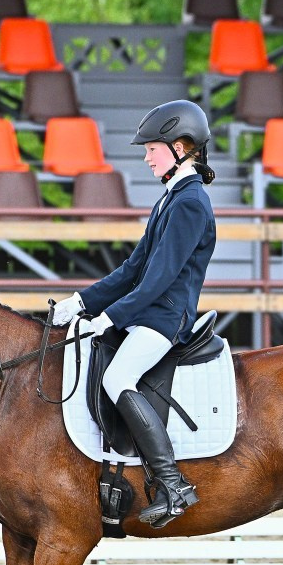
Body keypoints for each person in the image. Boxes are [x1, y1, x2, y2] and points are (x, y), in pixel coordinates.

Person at [50, 99, 218, 529]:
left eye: (152, 149)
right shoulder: (171, 198)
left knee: (116, 377)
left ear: (180, 147)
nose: (146, 158)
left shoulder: (190, 202)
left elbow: (159, 279)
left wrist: (110, 318)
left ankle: (173, 485)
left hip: (166, 318)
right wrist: (81, 302)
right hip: (149, 311)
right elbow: (132, 269)